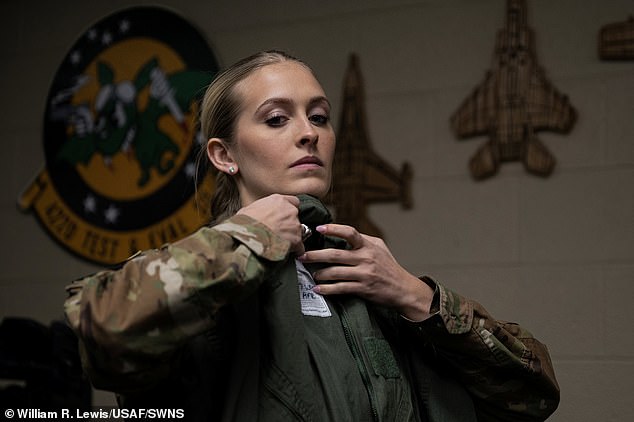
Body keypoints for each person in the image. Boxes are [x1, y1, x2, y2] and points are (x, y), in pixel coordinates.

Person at [64, 50, 560, 422]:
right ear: (223, 155)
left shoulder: (369, 281)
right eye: (277, 119)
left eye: (319, 117)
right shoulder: (192, 281)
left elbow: (535, 393)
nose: (309, 133)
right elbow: (103, 331)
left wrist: (415, 295)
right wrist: (248, 238)